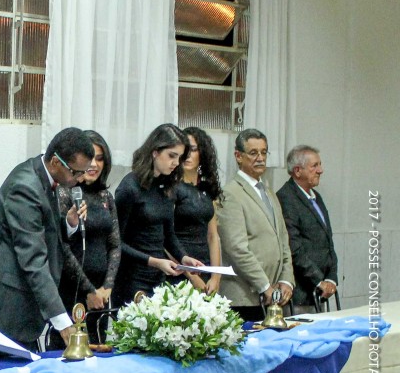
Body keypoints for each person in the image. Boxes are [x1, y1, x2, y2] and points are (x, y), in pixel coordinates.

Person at [0, 127, 94, 350]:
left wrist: (68, 223)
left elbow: (44, 229)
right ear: (56, 162)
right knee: (15, 369)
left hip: (28, 301)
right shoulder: (25, 187)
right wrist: (63, 322)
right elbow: (33, 259)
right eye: (76, 172)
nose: (81, 179)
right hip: (14, 304)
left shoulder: (44, 176)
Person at [112, 124, 203, 307]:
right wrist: (154, 262)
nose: (176, 163)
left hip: (158, 277)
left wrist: (184, 258)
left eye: (179, 157)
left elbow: (168, 235)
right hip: (131, 278)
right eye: (171, 156)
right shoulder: (129, 187)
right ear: (155, 152)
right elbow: (116, 242)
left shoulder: (167, 186)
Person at [217, 128, 294, 321]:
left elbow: (283, 240)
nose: (260, 158)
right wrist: (264, 286)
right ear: (238, 156)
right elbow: (236, 248)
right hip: (244, 297)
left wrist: (286, 280)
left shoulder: (269, 193)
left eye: (264, 152)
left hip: (273, 295)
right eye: (253, 153)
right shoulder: (230, 194)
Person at [56, 129, 121, 343]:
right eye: (90, 158)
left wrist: (107, 287)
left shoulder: (106, 197)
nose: (94, 164)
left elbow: (115, 245)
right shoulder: (65, 192)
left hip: (101, 295)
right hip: (72, 289)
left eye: (100, 159)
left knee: (100, 347)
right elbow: (62, 247)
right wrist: (89, 290)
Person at [277, 145, 338, 313]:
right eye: (314, 166)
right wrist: (318, 280)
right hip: (300, 294)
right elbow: (293, 247)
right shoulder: (286, 198)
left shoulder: (316, 197)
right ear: (298, 171)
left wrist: (332, 278)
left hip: (320, 292)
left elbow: (328, 241)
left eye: (320, 164)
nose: (320, 170)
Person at [174, 126, 223, 295]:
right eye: (185, 150)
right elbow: (166, 237)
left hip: (205, 266)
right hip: (179, 268)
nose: (188, 155)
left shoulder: (207, 188)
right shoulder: (172, 188)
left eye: (193, 150)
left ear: (202, 153)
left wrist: (216, 276)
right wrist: (191, 276)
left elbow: (213, 236)